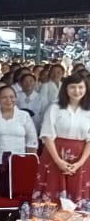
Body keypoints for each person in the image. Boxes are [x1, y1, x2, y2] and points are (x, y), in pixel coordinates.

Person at [34, 75, 90, 203]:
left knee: (79, 196)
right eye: (72, 87)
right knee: (52, 195)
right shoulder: (55, 108)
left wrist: (79, 163)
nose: (77, 91)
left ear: (86, 88)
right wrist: (58, 161)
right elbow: (47, 136)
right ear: (65, 89)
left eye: (80, 87)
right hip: (55, 155)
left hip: (81, 158)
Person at [0, 84, 38, 189]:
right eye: (4, 97)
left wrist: (30, 161)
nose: (9, 100)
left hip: (19, 161)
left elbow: (32, 140)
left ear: (16, 98)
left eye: (11, 97)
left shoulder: (24, 115)